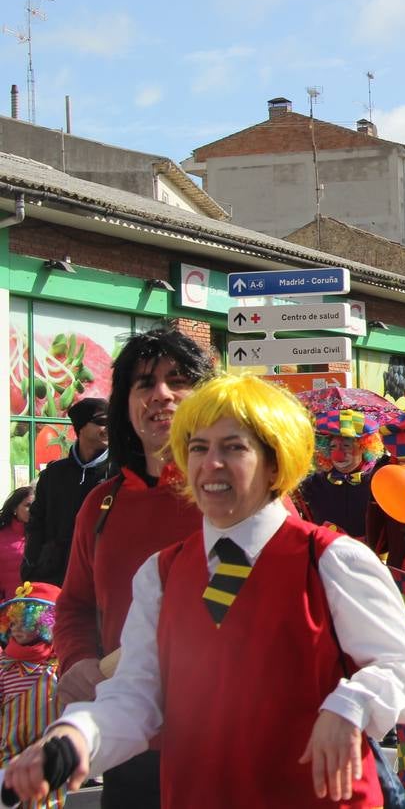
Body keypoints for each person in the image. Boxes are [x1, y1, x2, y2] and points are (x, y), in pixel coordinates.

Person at [5, 373, 405, 807]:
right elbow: (136, 696)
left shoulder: (331, 560)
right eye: (197, 448)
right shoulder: (161, 574)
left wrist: (351, 707)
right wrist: (74, 740)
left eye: (233, 448)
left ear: (275, 463)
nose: (210, 463)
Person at [51, 328, 211, 807]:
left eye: (177, 380)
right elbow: (74, 605)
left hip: (224, 740)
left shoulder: (246, 497)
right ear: (125, 405)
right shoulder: (101, 505)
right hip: (130, 746)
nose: (160, 394)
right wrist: (78, 661)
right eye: (144, 383)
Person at [21, 398, 111, 586]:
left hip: (101, 580)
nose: (109, 427)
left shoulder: (120, 473)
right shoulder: (53, 475)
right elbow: (36, 523)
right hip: (54, 578)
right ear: (81, 427)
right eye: (102, 421)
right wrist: (32, 565)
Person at [0, 580, 62, 809]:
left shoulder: (58, 664)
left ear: (45, 624)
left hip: (48, 751)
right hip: (10, 751)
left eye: (25, 623)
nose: (16, 629)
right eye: (13, 622)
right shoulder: (5, 665)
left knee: (45, 801)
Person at [294, 409, 389, 540]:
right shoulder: (312, 485)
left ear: (364, 447)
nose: (338, 454)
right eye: (333, 447)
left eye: (346, 446)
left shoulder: (379, 480)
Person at [0, 489, 33, 600]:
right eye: (28, 505)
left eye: (36, 505)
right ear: (15, 508)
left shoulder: (46, 537)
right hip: (7, 606)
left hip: (39, 605)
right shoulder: (2, 537)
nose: (33, 509)